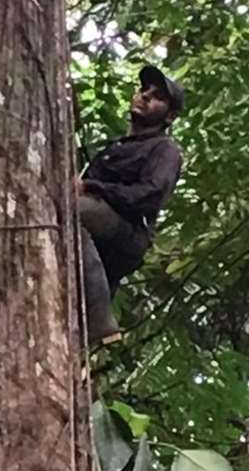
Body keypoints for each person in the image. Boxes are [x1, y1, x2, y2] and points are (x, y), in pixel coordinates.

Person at [77, 63, 184, 345]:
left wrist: (92, 187)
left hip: (129, 231)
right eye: (144, 89)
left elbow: (149, 196)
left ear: (170, 116)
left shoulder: (165, 150)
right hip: (98, 233)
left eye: (158, 96)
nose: (146, 96)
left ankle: (101, 321)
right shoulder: (116, 148)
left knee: (71, 210)